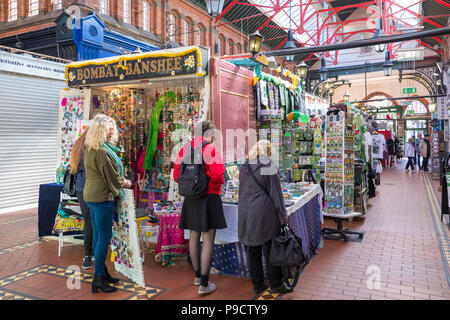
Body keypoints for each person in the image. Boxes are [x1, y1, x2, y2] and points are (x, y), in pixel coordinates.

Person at [173, 120, 226, 296]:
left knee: (194, 236)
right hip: (210, 196)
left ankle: (197, 277)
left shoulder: (184, 149)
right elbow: (218, 174)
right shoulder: (211, 149)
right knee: (208, 239)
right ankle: (204, 284)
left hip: (190, 197)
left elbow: (176, 175)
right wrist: (213, 184)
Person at [84, 114, 132, 293]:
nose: (113, 132)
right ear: (103, 131)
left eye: (113, 128)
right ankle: (98, 279)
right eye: (110, 129)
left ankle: (102, 272)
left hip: (92, 196)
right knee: (104, 238)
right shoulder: (103, 152)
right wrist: (125, 182)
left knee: (98, 237)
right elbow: (112, 177)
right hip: (102, 197)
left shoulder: (91, 148)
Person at [238, 140, 293, 295]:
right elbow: (277, 194)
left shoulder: (245, 166)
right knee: (271, 248)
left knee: (253, 249)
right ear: (268, 153)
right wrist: (282, 216)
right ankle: (276, 284)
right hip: (264, 213)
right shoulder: (268, 166)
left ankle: (257, 285)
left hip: (246, 212)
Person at [69, 129, 94, 269]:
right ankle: (87, 255)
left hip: (80, 188)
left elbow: (73, 170)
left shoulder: (77, 146)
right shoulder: (88, 149)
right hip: (89, 187)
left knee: (89, 221)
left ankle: (89, 253)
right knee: (91, 222)